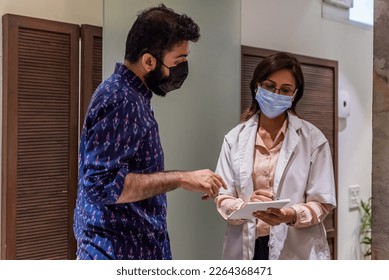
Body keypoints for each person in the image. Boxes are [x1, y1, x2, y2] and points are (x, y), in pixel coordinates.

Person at [73, 4, 226, 260]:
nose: (182, 70)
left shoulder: (131, 96)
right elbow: (101, 185)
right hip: (115, 252)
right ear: (148, 61)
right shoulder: (121, 99)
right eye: (179, 61)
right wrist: (181, 178)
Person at [214, 52, 336, 260]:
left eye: (285, 90)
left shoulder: (313, 140)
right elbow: (223, 197)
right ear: (257, 86)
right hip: (248, 249)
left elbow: (322, 203)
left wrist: (289, 215)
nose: (276, 94)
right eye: (270, 86)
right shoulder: (234, 139)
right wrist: (246, 208)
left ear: (294, 95)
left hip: (295, 250)